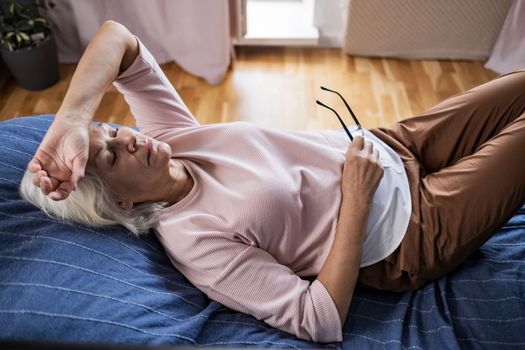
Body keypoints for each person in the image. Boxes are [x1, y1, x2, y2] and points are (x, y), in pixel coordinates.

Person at [20, 20, 525, 343]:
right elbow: (318, 319)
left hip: (393, 144)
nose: (126, 137)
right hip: (409, 234)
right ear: (123, 203)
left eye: (111, 128)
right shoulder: (198, 243)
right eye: (110, 155)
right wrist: (355, 198)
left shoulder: (172, 136)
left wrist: (71, 121)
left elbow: (117, 36)